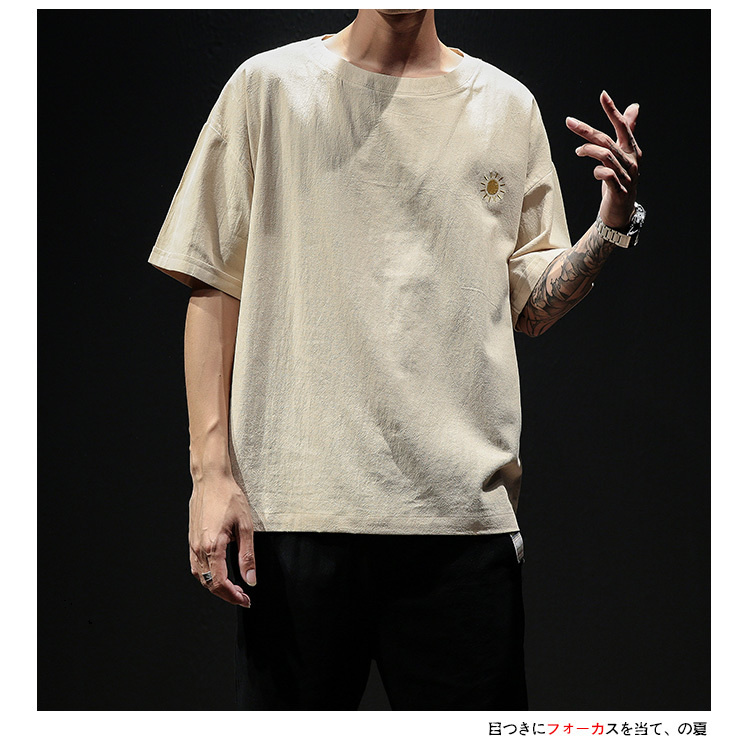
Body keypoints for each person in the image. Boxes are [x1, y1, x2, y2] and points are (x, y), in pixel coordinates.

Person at [148, 9, 644, 710]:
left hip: (461, 520)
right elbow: (212, 282)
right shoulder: (269, 88)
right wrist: (210, 476)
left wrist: (611, 225)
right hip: (299, 513)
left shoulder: (506, 106)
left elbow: (532, 305)